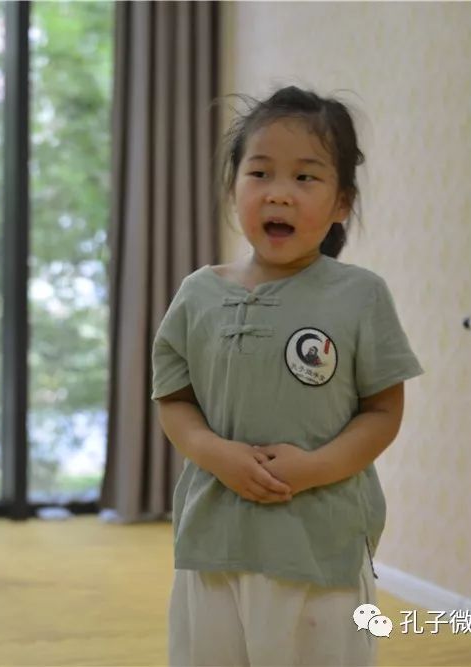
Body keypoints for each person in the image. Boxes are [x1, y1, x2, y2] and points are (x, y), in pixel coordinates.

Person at [153, 86, 423, 666]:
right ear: (234, 189)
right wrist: (213, 452)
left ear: (341, 203)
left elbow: (382, 411)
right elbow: (174, 400)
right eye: (260, 173)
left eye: (306, 177)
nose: (280, 192)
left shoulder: (360, 296)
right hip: (213, 541)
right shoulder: (198, 293)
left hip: (319, 546)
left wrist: (313, 469)